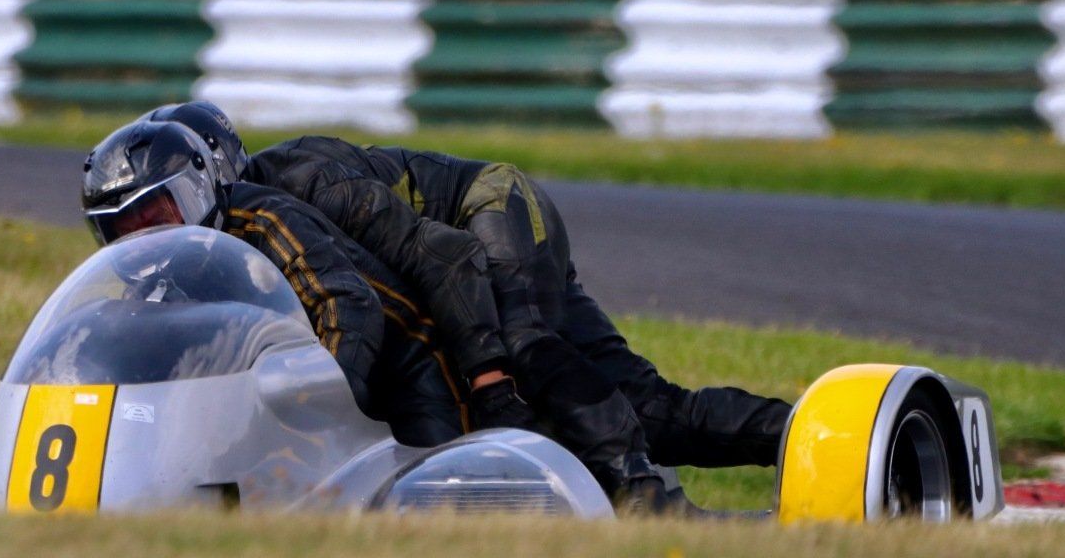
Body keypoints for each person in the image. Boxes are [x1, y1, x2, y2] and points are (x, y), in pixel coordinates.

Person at [144, 102, 794, 509]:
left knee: (525, 349)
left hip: (493, 209)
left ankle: (640, 492)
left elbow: (443, 258)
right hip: (458, 269)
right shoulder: (240, 249)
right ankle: (804, 434)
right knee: (653, 410)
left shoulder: (305, 185)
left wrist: (484, 371)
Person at [81, 116, 466, 448]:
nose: (146, 242)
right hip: (294, 380)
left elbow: (348, 302)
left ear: (195, 189)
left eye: (154, 219)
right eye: (123, 233)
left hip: (406, 366)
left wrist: (312, 406)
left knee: (440, 488)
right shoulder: (154, 283)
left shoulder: (264, 220)